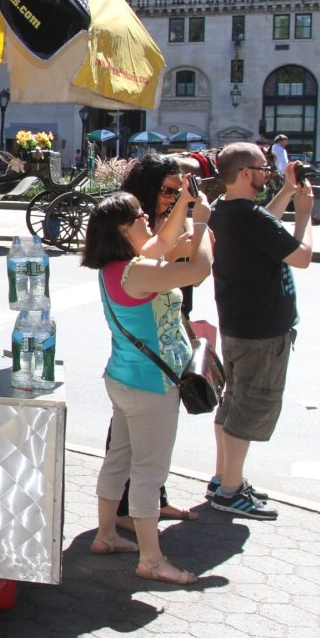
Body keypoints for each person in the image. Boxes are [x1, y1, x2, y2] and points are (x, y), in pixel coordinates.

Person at [83, 191, 213, 585]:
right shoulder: (137, 272)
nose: (147, 219)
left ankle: (106, 535)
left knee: (119, 459)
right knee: (148, 474)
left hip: (123, 380)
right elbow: (198, 270)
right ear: (123, 229)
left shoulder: (119, 267)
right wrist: (203, 222)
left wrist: (184, 205)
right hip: (150, 387)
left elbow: (160, 243)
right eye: (140, 216)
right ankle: (151, 560)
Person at [205, 144, 315, 520]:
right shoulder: (248, 216)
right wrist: (305, 217)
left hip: (239, 323)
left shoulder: (225, 210)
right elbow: (301, 256)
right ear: (245, 172)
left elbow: (263, 226)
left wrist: (286, 191)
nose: (268, 173)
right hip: (263, 331)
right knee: (249, 408)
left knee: (233, 403)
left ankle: (224, 479)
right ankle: (230, 490)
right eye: (263, 168)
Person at [112, 154, 207, 526]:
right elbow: (174, 260)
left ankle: (146, 501)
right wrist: (194, 236)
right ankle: (128, 511)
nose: (172, 197)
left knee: (144, 434)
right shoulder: (132, 221)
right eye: (168, 190)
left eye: (177, 190)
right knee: (136, 434)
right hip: (144, 335)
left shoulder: (159, 218)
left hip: (167, 317)